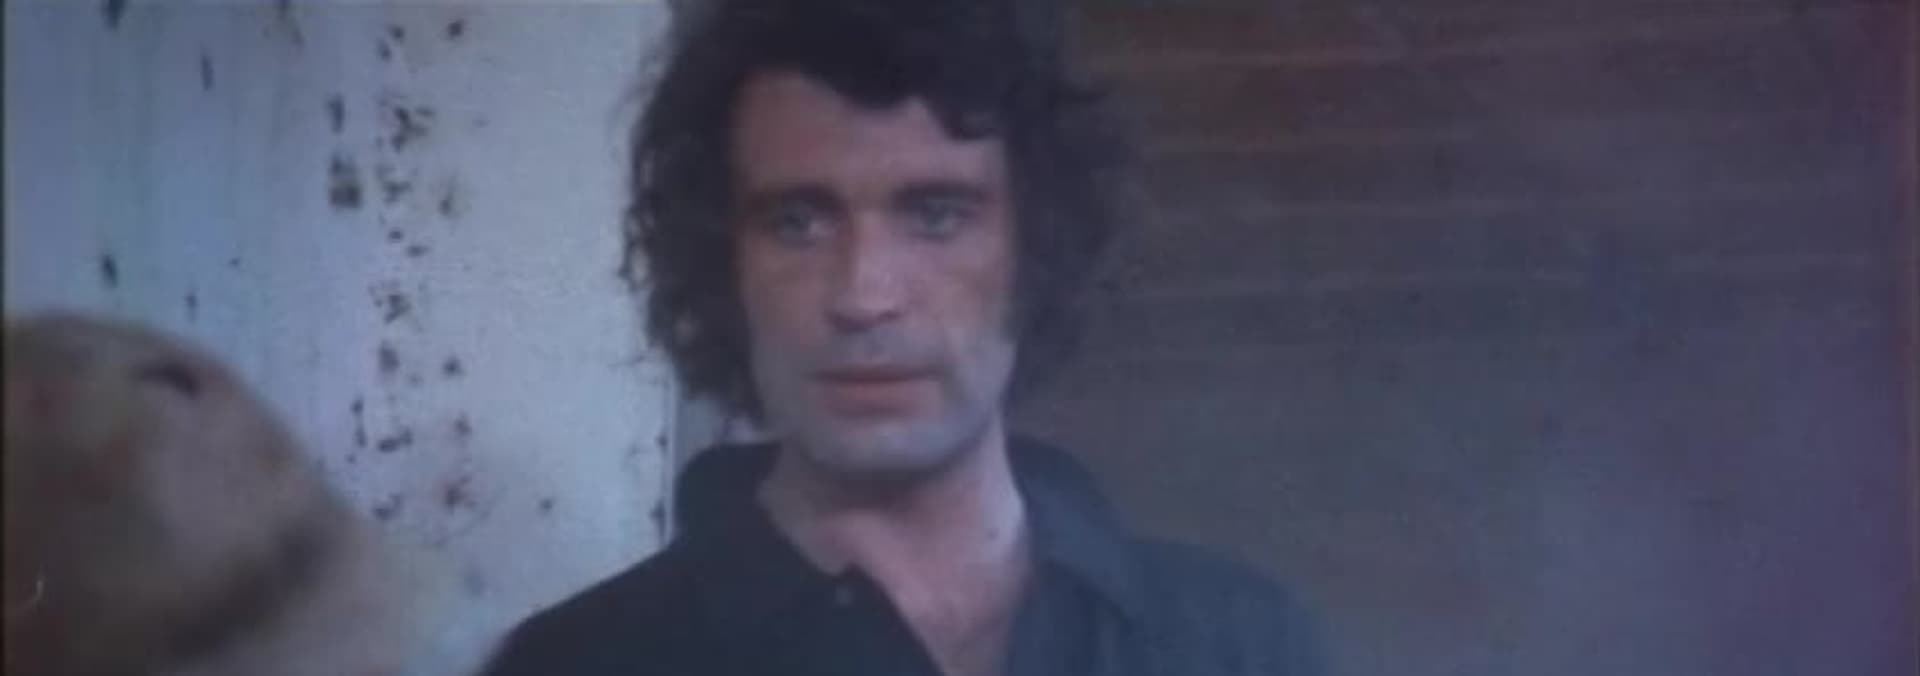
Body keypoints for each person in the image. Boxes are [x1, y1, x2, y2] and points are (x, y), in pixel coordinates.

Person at [482, 0, 1323, 674]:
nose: (864, 295)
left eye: (937, 215)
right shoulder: (582, 662)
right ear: (722, 264)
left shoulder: (1239, 643)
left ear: (1039, 249)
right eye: (799, 222)